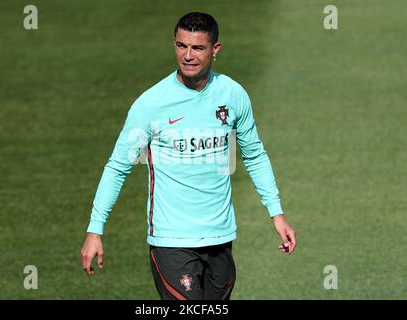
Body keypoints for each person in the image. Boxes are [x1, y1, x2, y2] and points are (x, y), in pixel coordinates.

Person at [80, 12, 297, 300]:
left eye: (197, 48)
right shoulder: (151, 104)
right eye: (181, 46)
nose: (188, 56)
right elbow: (118, 166)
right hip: (172, 241)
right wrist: (95, 230)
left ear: (215, 49)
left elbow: (254, 155)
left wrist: (277, 214)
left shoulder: (233, 95)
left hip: (220, 239)